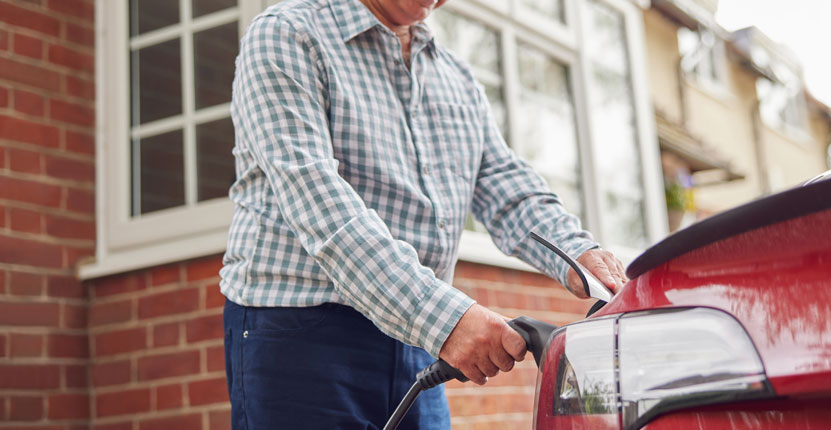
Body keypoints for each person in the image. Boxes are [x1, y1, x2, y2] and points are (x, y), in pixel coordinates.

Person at [219, 0, 628, 428]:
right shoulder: (287, 35)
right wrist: (448, 320)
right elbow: (318, 203)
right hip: (300, 334)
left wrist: (579, 254)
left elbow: (507, 188)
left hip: (415, 336)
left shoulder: (456, 77)